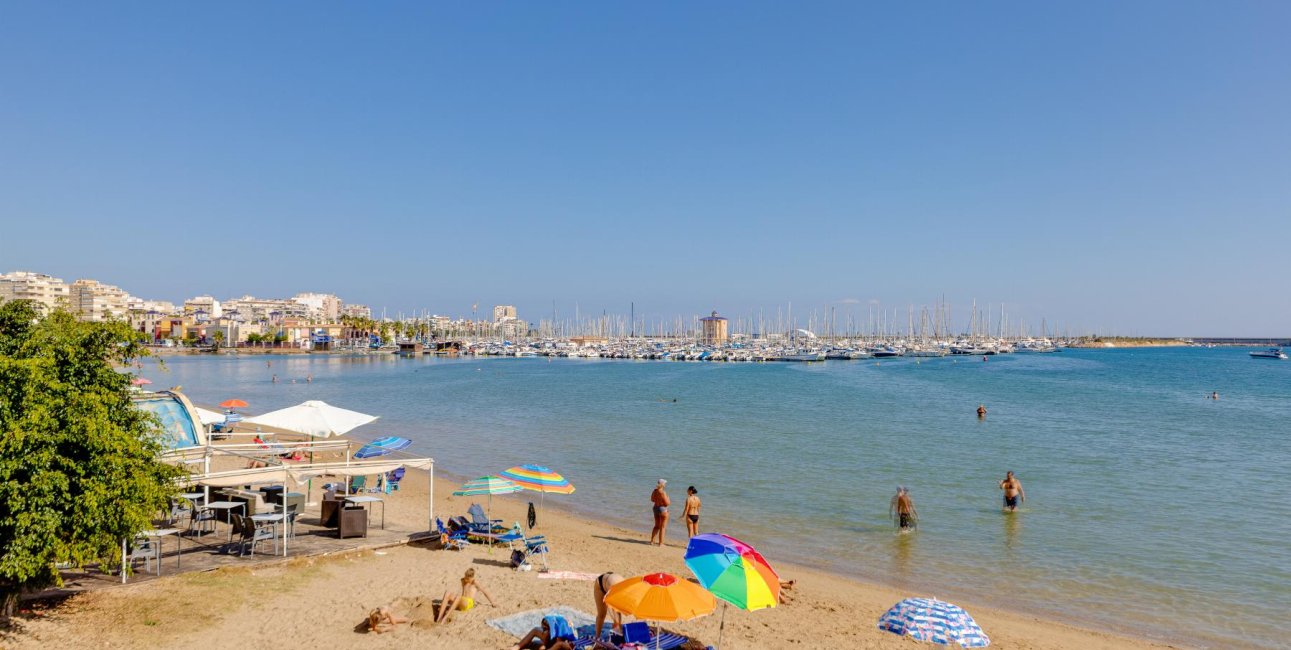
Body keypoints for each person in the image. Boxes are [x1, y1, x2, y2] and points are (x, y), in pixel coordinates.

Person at [592, 572, 625, 640]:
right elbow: (610, 606)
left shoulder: (626, 592)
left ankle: (617, 630)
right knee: (602, 614)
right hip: (600, 584)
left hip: (612, 580)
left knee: (617, 618)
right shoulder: (614, 591)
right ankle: (597, 637)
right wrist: (617, 624)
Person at [649, 479, 670, 546]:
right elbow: (667, 503)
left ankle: (652, 541)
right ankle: (661, 543)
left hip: (655, 508)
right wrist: (668, 498)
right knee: (663, 527)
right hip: (662, 509)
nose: (665, 485)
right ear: (662, 484)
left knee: (656, 526)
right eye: (665, 484)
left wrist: (658, 500)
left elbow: (652, 499)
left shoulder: (654, 491)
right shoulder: (663, 492)